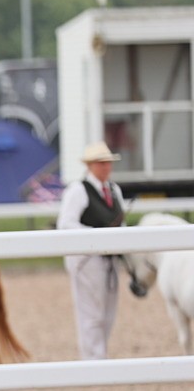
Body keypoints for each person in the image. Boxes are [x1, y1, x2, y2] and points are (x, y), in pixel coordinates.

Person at [56, 141, 126, 360]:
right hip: (88, 260)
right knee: (91, 311)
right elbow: (66, 223)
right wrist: (96, 234)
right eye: (100, 163)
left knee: (108, 311)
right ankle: (93, 359)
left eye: (107, 163)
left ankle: (100, 354)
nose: (105, 167)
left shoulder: (114, 190)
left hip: (110, 259)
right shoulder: (77, 191)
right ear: (90, 165)